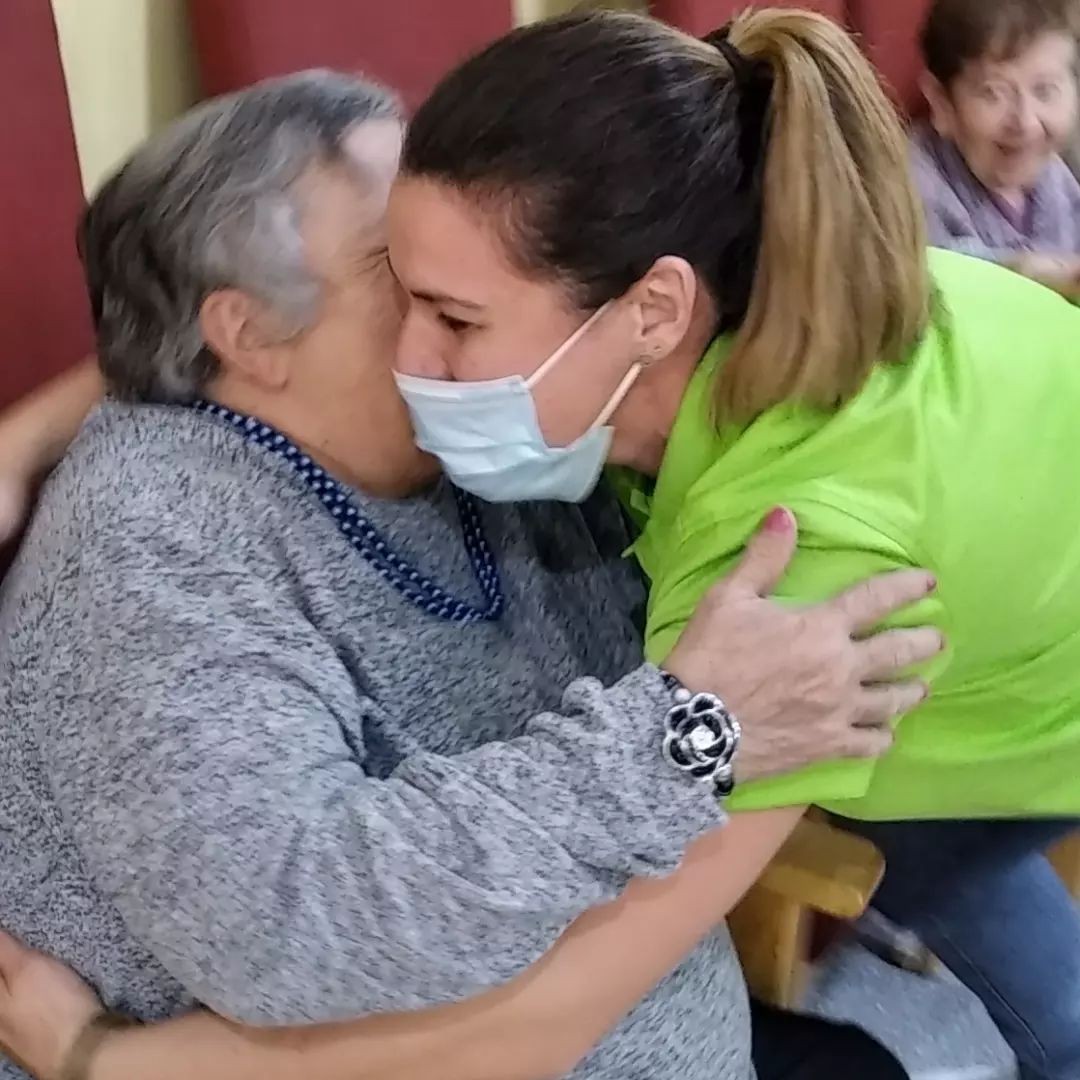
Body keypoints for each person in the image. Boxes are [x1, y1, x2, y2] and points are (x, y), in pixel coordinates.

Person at [0, 70, 935, 1080]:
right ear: (250, 333)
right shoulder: (153, 543)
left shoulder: (476, 432)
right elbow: (296, 927)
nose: (453, 298)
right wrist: (682, 740)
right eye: (401, 270)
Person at [381, 7, 1080, 1077]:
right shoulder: (813, 278)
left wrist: (136, 1058)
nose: (406, 359)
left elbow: (559, 1014)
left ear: (656, 309)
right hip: (1016, 585)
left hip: (1032, 699)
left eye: (456, 320)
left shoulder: (782, 563)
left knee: (1010, 953)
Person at [911, 0, 1080, 296]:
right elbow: (926, 268)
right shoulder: (913, 184)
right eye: (993, 93)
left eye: (1044, 90)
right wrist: (1023, 272)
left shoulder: (1056, 175)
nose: (1025, 122)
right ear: (941, 102)